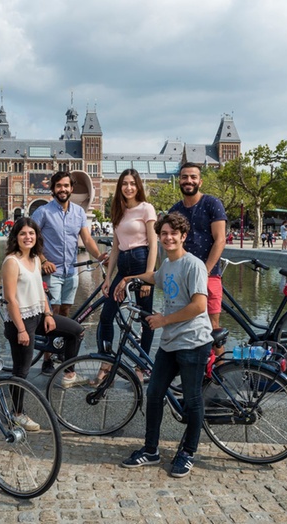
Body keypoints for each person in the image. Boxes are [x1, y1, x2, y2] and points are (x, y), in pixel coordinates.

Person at [114, 213, 213, 478]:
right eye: (164, 233)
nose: (168, 238)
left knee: (192, 399)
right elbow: (155, 277)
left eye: (173, 233)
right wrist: (127, 279)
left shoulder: (193, 265)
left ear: (183, 236)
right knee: (155, 393)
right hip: (170, 342)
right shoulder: (168, 265)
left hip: (193, 341)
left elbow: (200, 305)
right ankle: (150, 449)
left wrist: (163, 320)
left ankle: (187, 452)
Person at [2, 218, 86, 430]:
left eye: (31, 233)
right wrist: (21, 329)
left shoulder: (35, 259)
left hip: (38, 315)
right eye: (23, 234)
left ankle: (69, 372)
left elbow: (40, 290)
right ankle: (17, 413)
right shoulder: (11, 262)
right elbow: (10, 299)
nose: (28, 237)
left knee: (76, 331)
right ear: (16, 237)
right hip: (19, 321)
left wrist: (48, 313)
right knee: (22, 370)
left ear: (37, 237)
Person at [32, 171, 107, 374]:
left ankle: (61, 351)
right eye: (59, 186)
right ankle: (47, 358)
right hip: (51, 272)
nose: (63, 189)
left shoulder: (78, 213)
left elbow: (87, 239)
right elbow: (31, 239)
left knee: (66, 313)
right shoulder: (43, 212)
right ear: (53, 188)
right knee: (52, 314)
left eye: (66, 186)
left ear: (71, 189)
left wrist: (100, 256)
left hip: (70, 272)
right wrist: (43, 260)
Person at [98, 169, 157, 357]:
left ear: (138, 186)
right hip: (123, 265)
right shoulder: (118, 211)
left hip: (141, 262)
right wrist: (108, 278)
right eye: (125, 184)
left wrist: (148, 278)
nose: (128, 187)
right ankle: (106, 362)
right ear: (120, 187)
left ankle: (143, 366)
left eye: (132, 183)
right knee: (106, 315)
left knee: (145, 316)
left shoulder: (146, 208)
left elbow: (154, 245)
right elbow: (115, 248)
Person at [168, 162, 227, 333]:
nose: (189, 180)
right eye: (185, 177)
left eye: (193, 177)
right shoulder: (175, 210)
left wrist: (204, 271)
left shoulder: (212, 204)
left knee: (213, 328)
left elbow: (220, 240)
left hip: (209, 275)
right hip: (183, 276)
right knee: (183, 326)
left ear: (200, 182)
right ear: (179, 181)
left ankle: (220, 361)